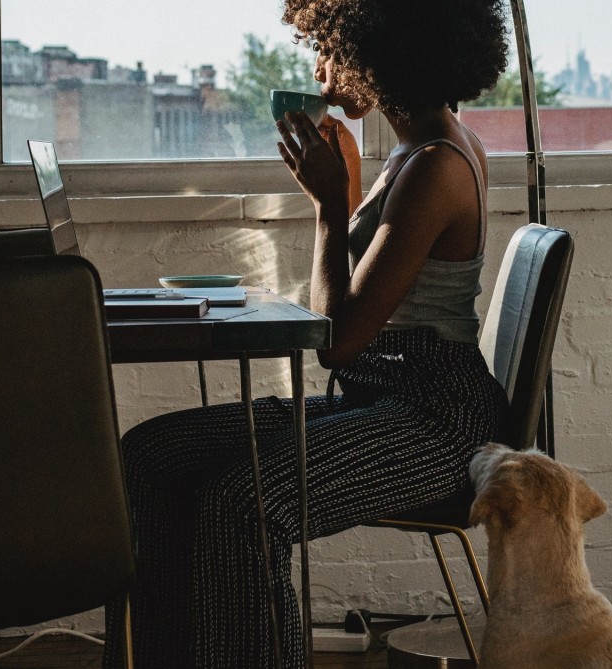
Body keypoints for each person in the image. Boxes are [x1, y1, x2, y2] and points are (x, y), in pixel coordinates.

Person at [103, 1, 511, 667]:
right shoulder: (416, 149)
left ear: (384, 53)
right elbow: (345, 325)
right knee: (149, 455)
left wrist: (329, 207)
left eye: (331, 49)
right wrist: (342, 194)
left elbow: (337, 340)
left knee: (241, 506)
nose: (318, 66)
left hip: (435, 419)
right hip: (381, 399)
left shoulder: (435, 165)